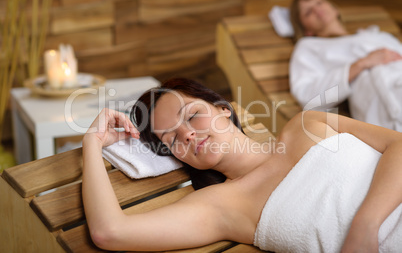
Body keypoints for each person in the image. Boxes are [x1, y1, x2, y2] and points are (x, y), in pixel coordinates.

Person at [82, 78, 402, 252]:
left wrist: (366, 224)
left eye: (192, 115)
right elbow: (111, 232)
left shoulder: (308, 123)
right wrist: (92, 143)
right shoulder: (222, 206)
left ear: (223, 109)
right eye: (171, 138)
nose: (188, 134)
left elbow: (398, 144)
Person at [289, 0, 402, 130]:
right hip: (381, 99)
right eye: (308, 12)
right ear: (306, 30)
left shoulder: (378, 36)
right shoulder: (309, 47)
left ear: (335, 9)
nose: (317, 10)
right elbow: (307, 96)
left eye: (319, 2)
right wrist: (361, 64)